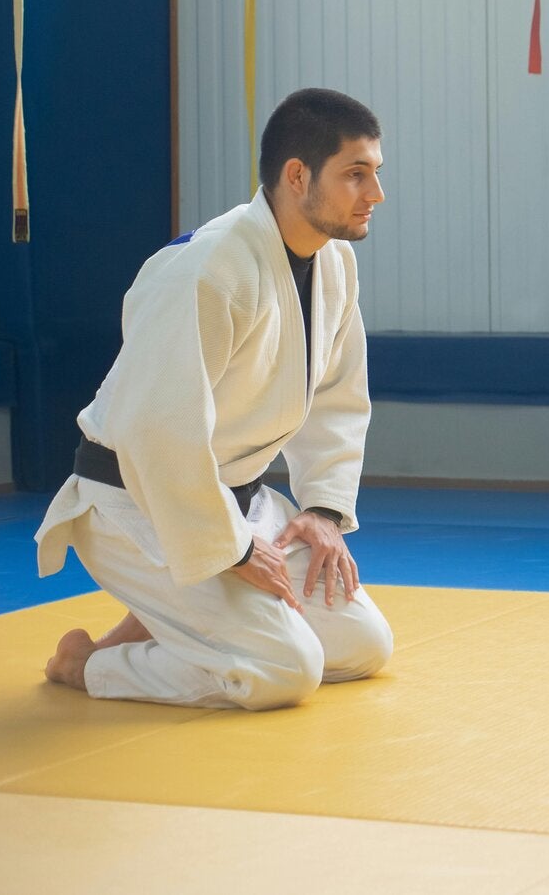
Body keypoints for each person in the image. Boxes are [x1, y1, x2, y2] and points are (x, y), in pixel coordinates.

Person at [36, 87, 394, 710]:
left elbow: (338, 395)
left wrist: (323, 509)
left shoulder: (334, 262)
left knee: (365, 644)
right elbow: (156, 428)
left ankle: (174, 613)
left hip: (237, 500)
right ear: (298, 176)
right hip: (138, 503)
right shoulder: (210, 269)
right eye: (355, 174)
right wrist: (230, 549)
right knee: (287, 670)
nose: (376, 194)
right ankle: (88, 665)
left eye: (376, 173)